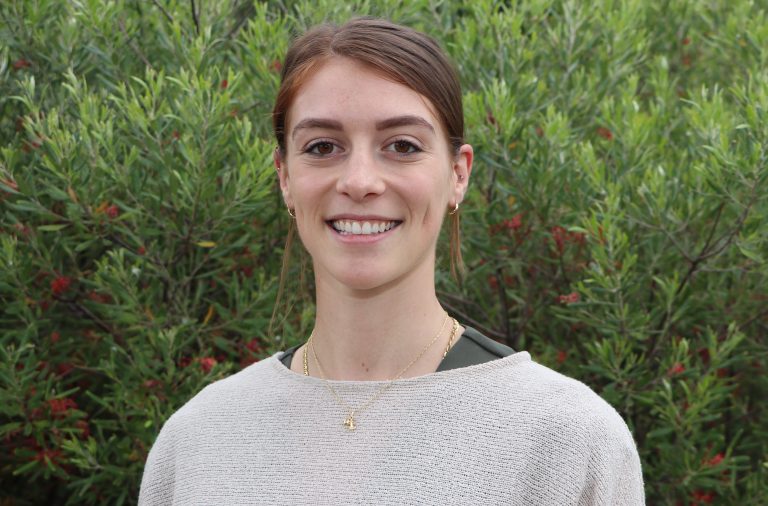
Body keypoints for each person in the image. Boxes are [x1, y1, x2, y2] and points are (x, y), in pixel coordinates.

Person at [139, 17, 645, 505]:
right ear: (285, 177)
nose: (360, 181)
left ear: (458, 174)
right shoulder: (197, 440)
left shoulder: (567, 439)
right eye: (322, 146)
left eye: (402, 145)